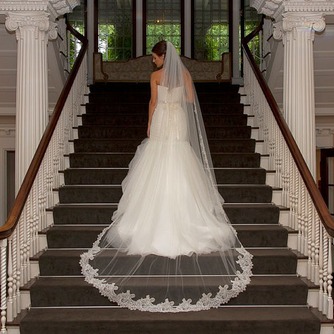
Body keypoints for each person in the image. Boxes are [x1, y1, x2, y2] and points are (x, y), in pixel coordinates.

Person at [80, 41, 253, 312]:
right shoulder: (184, 74)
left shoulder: (154, 77)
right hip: (177, 120)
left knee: (159, 157)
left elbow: (152, 101)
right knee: (179, 157)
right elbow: (190, 101)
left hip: (162, 119)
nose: (153, 60)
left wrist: (150, 123)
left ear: (162, 57)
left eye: (154, 56)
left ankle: (152, 220)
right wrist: (178, 92)